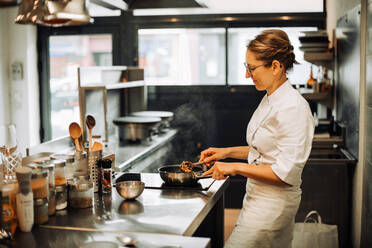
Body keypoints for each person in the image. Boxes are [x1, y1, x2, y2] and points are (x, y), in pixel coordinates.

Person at [199, 29, 315, 248]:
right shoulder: (270, 98)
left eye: (251, 68)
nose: (247, 75)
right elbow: (264, 151)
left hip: (273, 205)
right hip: (257, 198)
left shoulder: (293, 107)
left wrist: (234, 168)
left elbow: (284, 172)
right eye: (246, 67)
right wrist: (227, 152)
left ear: (275, 66)